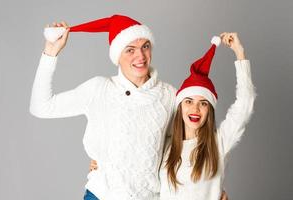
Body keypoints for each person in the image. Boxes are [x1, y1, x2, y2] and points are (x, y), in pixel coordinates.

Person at [30, 14, 229, 200]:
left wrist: (209, 187)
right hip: (102, 195)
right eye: (130, 49)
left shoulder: (170, 96)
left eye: (145, 46)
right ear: (117, 55)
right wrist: (50, 53)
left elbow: (187, 144)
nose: (140, 56)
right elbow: (41, 106)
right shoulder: (99, 89)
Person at [158, 33, 256, 199]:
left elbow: (245, 104)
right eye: (188, 101)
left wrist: (239, 53)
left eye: (203, 103)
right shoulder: (165, 146)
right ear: (180, 106)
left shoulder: (218, 144)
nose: (195, 109)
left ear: (209, 110)